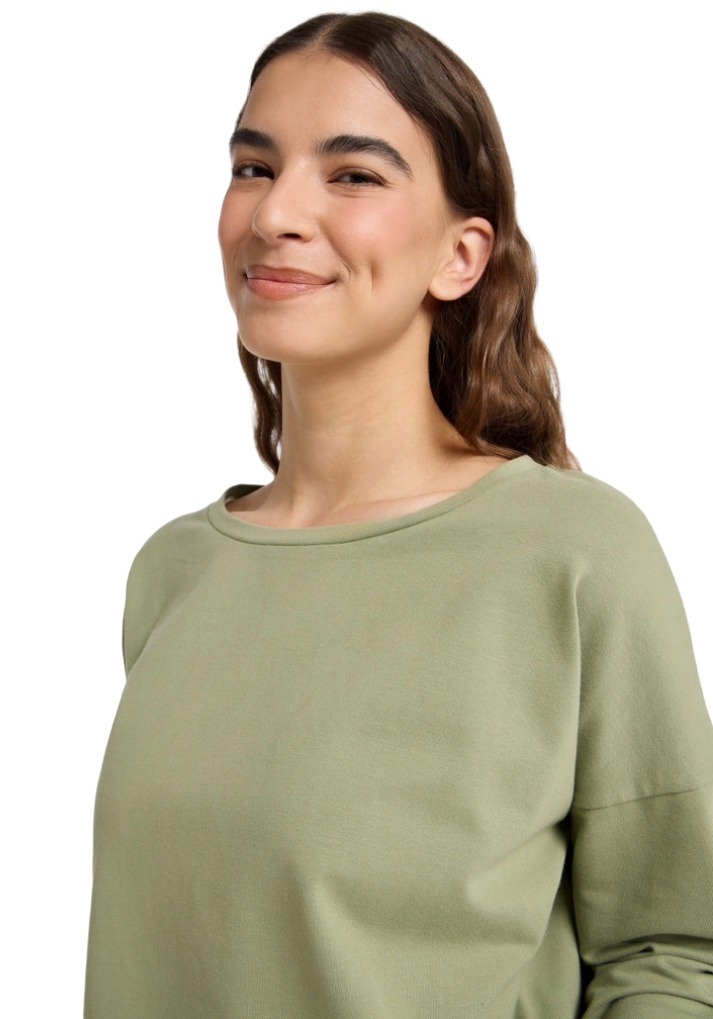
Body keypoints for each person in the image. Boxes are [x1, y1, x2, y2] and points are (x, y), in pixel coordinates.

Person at [84, 12, 713, 1017]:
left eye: (352, 174)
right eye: (253, 166)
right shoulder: (175, 570)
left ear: (459, 256)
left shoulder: (574, 554)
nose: (275, 212)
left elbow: (673, 949)